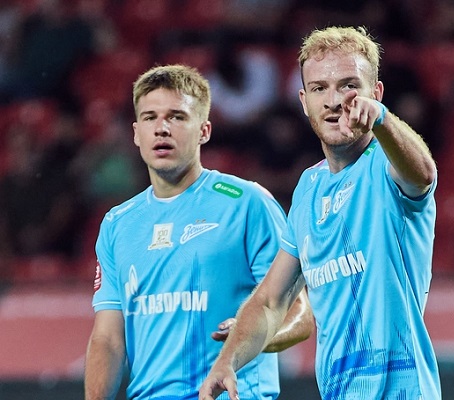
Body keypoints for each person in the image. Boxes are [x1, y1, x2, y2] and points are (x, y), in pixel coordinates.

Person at [200, 25, 441, 400]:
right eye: (319, 88)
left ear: (375, 93)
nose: (333, 101)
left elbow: (423, 174)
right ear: (303, 100)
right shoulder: (308, 188)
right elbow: (271, 302)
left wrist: (383, 119)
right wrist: (227, 361)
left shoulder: (386, 164)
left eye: (349, 86)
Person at [84, 64, 314, 400]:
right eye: (150, 118)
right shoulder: (117, 224)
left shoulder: (248, 204)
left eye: (177, 117)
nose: (162, 128)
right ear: (136, 133)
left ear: (204, 130)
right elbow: (108, 338)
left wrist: (249, 339)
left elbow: (300, 315)